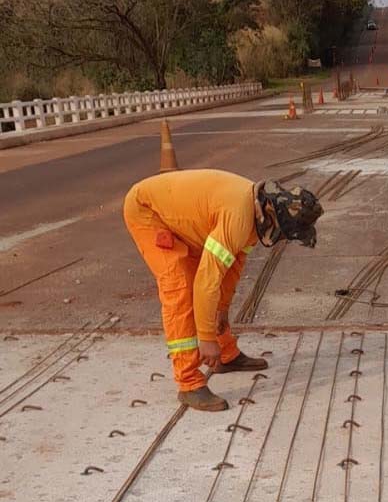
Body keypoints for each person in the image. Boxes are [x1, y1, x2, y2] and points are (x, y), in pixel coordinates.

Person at [123, 170, 323, 411]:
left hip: (185, 219)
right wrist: (206, 339)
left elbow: (231, 268)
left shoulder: (255, 214)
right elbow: (206, 283)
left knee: (208, 280)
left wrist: (222, 312)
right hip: (148, 211)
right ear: (275, 218)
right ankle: (188, 383)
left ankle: (225, 355)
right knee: (181, 287)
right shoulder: (238, 218)